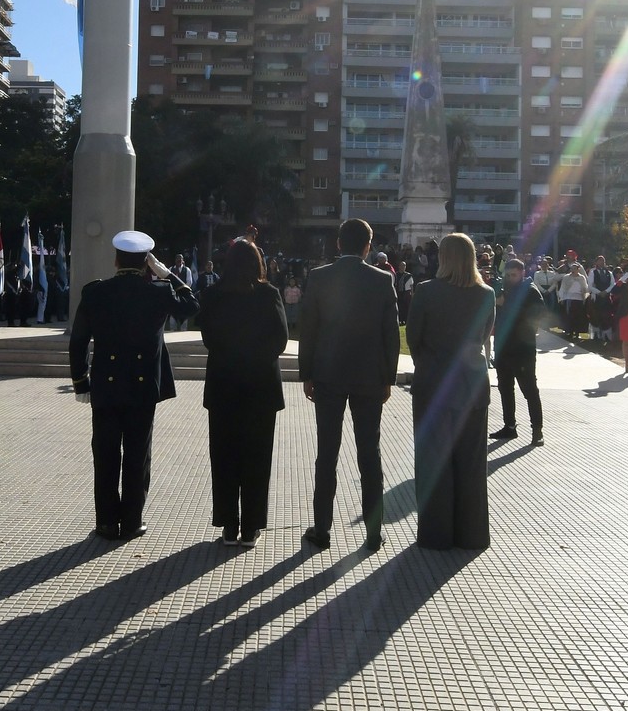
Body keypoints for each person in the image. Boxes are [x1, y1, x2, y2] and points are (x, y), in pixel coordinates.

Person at [68, 230, 199, 541]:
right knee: (138, 454)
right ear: (147, 264)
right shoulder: (159, 291)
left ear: (115, 259)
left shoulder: (95, 292)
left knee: (106, 454)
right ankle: (131, 522)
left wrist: (80, 383)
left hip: (106, 386)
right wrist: (168, 274)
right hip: (142, 388)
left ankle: (105, 524)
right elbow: (191, 305)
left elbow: (77, 343)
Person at [297, 218, 399, 553]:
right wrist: (388, 378)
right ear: (368, 246)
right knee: (369, 454)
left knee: (327, 453)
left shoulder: (320, 277)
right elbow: (390, 336)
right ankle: (372, 533)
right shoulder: (383, 280)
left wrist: (306, 373)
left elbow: (308, 329)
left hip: (327, 375)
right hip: (369, 378)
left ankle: (322, 529)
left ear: (339, 243)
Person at [197, 238, 287, 547]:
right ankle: (251, 527)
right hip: (260, 386)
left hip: (224, 383)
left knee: (223, 457)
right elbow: (280, 340)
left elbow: (208, 338)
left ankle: (228, 525)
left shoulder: (211, 296)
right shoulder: (269, 294)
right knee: (257, 458)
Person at [405, 233, 492, 551]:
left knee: (433, 462)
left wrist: (427, 364)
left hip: (434, 383)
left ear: (443, 258)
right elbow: (483, 336)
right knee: (471, 462)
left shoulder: (426, 292)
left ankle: (436, 535)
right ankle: (471, 534)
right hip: (472, 385)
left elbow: (414, 337)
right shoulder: (486, 294)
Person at [491, 257, 546, 444]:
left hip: (523, 350)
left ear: (522, 274)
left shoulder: (530, 292)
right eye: (507, 275)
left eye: (513, 275)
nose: (510, 278)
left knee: (529, 390)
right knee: (505, 388)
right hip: (503, 348)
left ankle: (537, 430)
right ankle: (509, 426)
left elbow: (536, 318)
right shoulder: (504, 289)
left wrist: (505, 305)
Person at [556, 262, 590, 339]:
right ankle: (570, 331)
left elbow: (585, 288)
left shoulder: (582, 278)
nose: (573, 270)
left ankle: (577, 332)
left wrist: (585, 295)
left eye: (575, 269)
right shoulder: (566, 277)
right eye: (572, 269)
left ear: (578, 270)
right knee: (570, 316)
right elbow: (563, 288)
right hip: (569, 297)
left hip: (579, 298)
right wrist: (561, 298)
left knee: (578, 316)